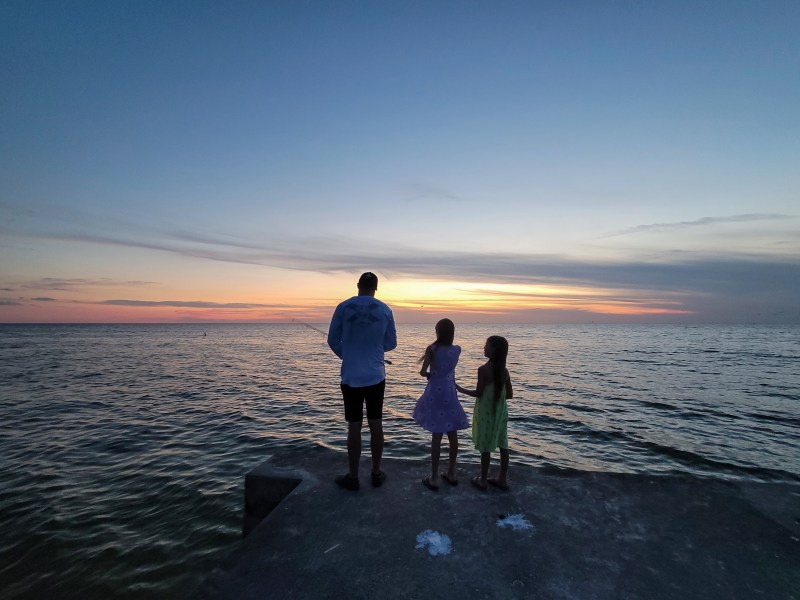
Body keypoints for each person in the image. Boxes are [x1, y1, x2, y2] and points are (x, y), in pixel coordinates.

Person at [327, 272, 397, 491]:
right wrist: (374, 350)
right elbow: (392, 343)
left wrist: (346, 354)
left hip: (350, 375)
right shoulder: (385, 310)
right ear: (376, 288)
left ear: (358, 285)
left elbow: (332, 339)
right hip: (376, 375)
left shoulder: (343, 307)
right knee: (376, 423)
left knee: (354, 426)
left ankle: (353, 476)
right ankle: (376, 473)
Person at [412, 318, 469, 491]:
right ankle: (451, 472)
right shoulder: (457, 350)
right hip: (450, 392)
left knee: (436, 435)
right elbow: (449, 370)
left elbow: (423, 372)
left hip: (435, 393)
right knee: (452, 433)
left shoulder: (432, 349)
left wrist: (429, 374)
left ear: (438, 332)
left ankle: (435, 477)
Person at [456, 335, 513, 491]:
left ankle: (482, 480)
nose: (484, 347)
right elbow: (510, 395)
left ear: (494, 350)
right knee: (503, 444)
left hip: (486, 412)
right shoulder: (504, 371)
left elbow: (478, 393)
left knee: (486, 446)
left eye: (487, 345)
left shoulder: (483, 370)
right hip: (501, 411)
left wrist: (459, 388)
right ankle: (502, 479)